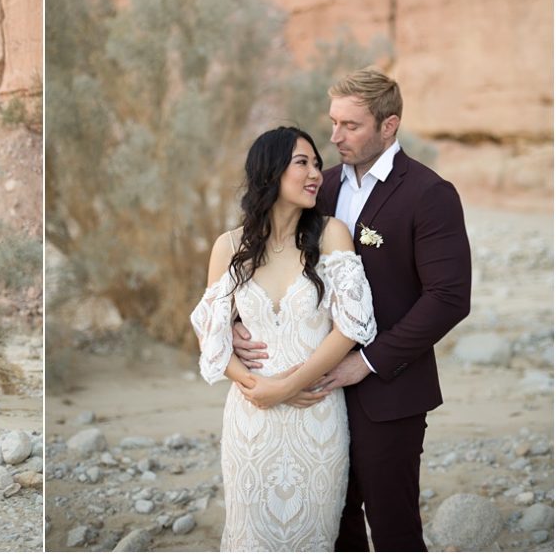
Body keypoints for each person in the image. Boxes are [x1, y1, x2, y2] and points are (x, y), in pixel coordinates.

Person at [233, 68, 472, 551]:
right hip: (315, 394)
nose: (335, 137)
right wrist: (241, 319)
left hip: (390, 392)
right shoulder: (320, 187)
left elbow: (449, 298)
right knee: (333, 526)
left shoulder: (429, 194)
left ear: (389, 126)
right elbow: (271, 256)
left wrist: (364, 363)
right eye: (333, 122)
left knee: (394, 527)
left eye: (351, 126)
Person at [191, 125, 377, 551]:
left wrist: (289, 386)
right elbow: (212, 336)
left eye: (317, 164)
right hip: (251, 422)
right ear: (270, 172)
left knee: (313, 536)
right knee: (250, 538)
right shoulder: (229, 246)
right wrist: (261, 388)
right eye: (302, 163)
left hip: (317, 418)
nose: (316, 173)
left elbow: (350, 327)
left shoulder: (332, 234)